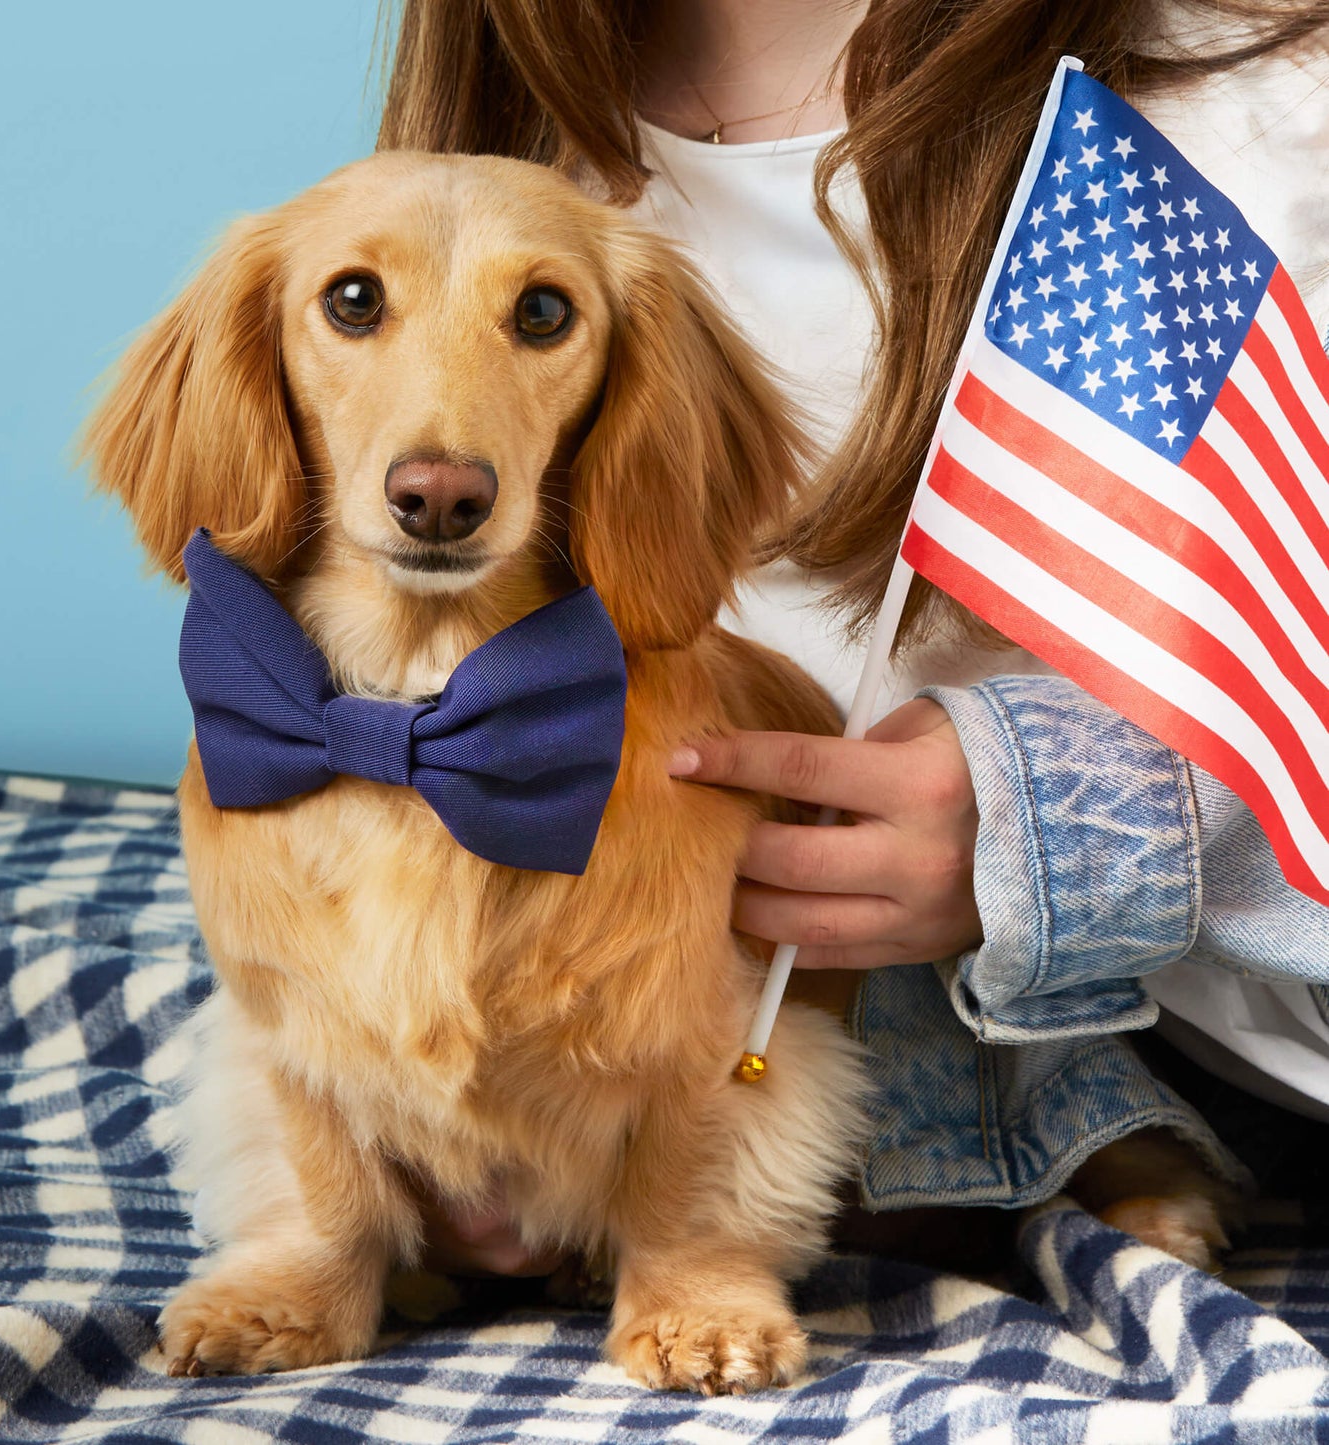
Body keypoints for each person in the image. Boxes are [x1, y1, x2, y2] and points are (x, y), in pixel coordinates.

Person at [376, 0, 1329, 1273]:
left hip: (1271, 1058)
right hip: (852, 1078)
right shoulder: (494, 179)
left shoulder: (1251, 119)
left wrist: (1066, 816)